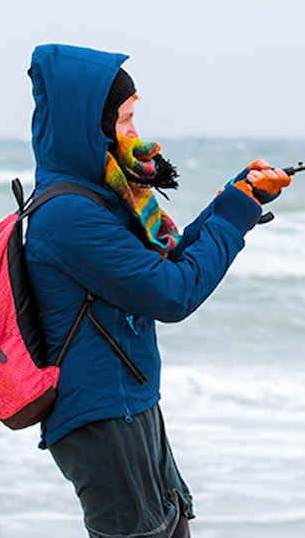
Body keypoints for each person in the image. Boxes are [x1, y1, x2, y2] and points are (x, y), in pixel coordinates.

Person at [24, 44, 290, 538]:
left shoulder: (101, 196)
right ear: (93, 126)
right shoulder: (69, 214)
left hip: (132, 402)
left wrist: (235, 200)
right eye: (125, 120)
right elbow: (172, 293)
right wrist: (234, 214)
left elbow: (162, 263)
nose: (134, 134)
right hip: (103, 419)